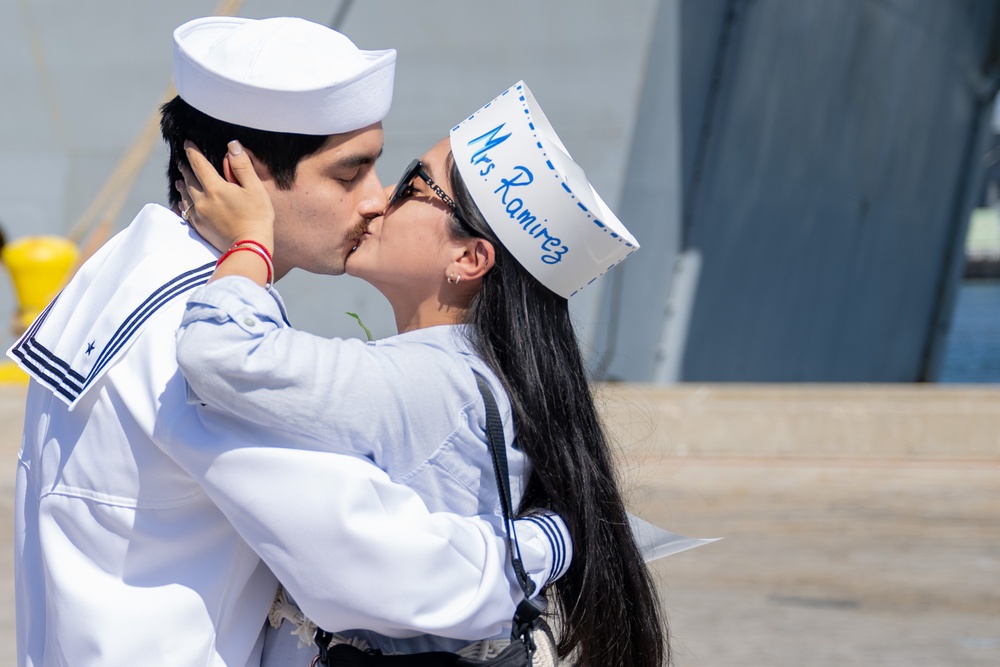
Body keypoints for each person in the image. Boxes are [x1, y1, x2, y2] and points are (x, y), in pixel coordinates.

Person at [6, 18, 569, 667]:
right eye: (348, 173)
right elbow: (386, 571)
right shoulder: (201, 338)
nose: (375, 200)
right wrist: (550, 540)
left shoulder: (127, 272)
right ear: (238, 173)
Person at [175, 81, 668, 666]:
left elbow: (221, 352)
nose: (378, 199)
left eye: (412, 184)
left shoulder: (426, 381)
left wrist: (252, 240)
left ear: (469, 259)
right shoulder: (470, 374)